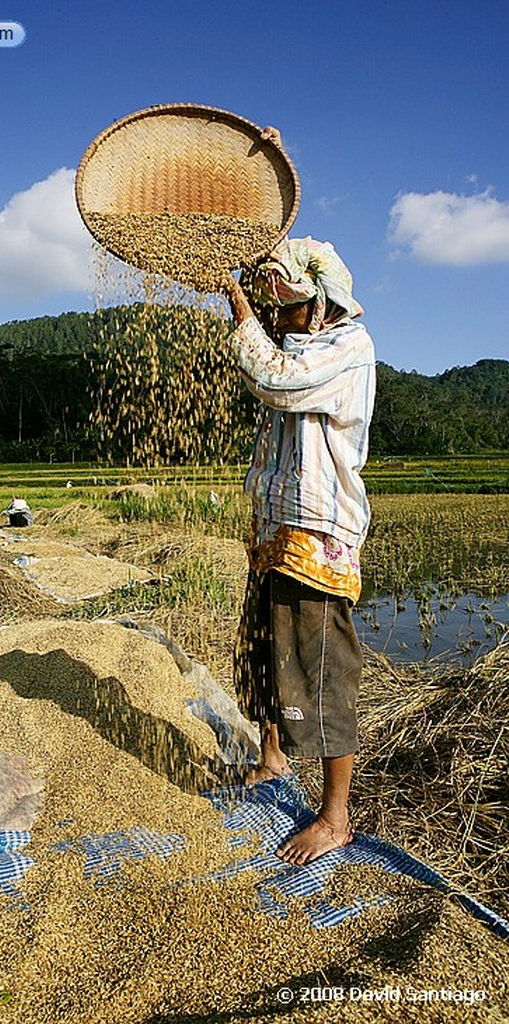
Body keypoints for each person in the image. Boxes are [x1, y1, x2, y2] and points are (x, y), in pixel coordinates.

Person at [224, 135, 375, 865]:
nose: (276, 321)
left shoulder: (345, 347)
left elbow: (277, 379)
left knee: (318, 669)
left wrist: (238, 308)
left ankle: (336, 814)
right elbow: (276, 357)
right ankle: (271, 758)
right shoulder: (297, 340)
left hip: (318, 533)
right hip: (275, 526)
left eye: (285, 311)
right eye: (271, 312)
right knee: (261, 652)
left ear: (321, 307)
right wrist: (260, 205)